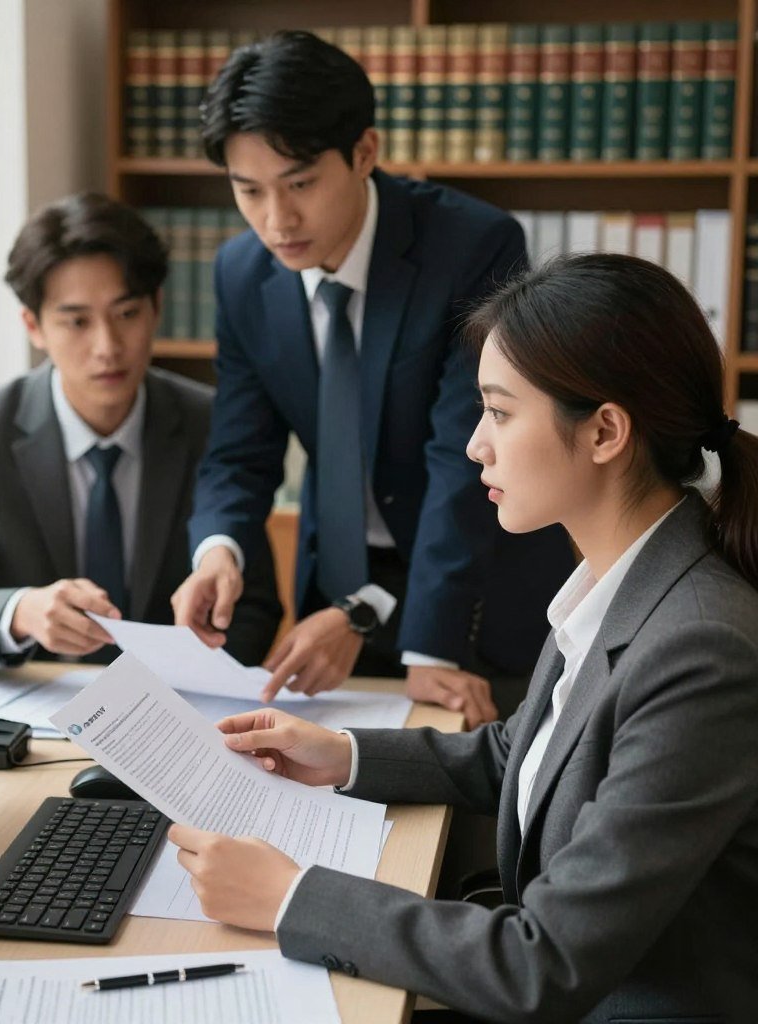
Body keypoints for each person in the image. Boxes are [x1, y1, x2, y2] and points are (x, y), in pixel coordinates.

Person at [169, 253, 758, 1023]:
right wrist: (340, 755)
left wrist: (290, 898)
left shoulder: (700, 647)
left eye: (501, 412)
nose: (476, 444)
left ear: (606, 430)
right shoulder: (625, 581)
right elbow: (528, 753)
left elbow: (543, 963)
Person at [171, 30, 573, 724]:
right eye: (249, 191)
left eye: (299, 184)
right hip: (340, 598)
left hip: (467, 602)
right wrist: (218, 548)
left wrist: (427, 648)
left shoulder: (471, 247)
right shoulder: (241, 274)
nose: (276, 220)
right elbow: (240, 451)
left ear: (364, 152)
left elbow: (463, 455)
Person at [0, 193, 281, 670]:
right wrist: (19, 612)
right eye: (77, 322)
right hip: (37, 714)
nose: (107, 347)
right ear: (33, 326)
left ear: (156, 308)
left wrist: (189, 684)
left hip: (176, 711)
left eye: (126, 315)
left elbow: (254, 609)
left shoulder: (211, 423)